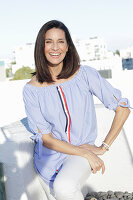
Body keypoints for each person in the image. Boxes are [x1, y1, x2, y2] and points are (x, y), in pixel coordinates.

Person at [23, 20, 131, 200]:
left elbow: (123, 108)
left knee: (64, 187)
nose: (55, 47)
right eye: (48, 42)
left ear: (68, 47)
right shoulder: (31, 90)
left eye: (60, 41)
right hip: (49, 160)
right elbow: (47, 140)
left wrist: (103, 147)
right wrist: (85, 153)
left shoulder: (85, 75)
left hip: (80, 154)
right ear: (40, 47)